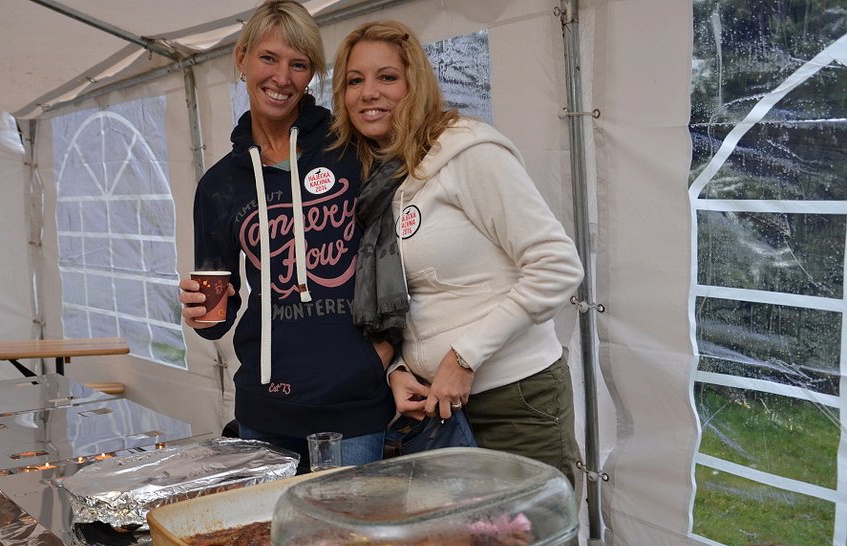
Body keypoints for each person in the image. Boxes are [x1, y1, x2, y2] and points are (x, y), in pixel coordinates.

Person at [330, 20, 585, 485]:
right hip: (439, 409)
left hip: (514, 401)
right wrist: (400, 370)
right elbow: (413, 296)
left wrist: (463, 358)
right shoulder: (381, 178)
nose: (369, 92)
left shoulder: (467, 151)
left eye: (387, 77)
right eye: (354, 80)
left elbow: (557, 266)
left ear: (415, 83)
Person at [178, 1, 394, 471]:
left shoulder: (351, 149)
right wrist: (202, 310)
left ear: (312, 74)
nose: (282, 77)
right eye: (268, 58)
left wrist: (388, 352)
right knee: (269, 538)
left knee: (347, 540)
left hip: (354, 407)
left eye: (299, 65)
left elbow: (400, 254)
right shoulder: (219, 186)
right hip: (264, 408)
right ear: (241, 59)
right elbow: (218, 316)